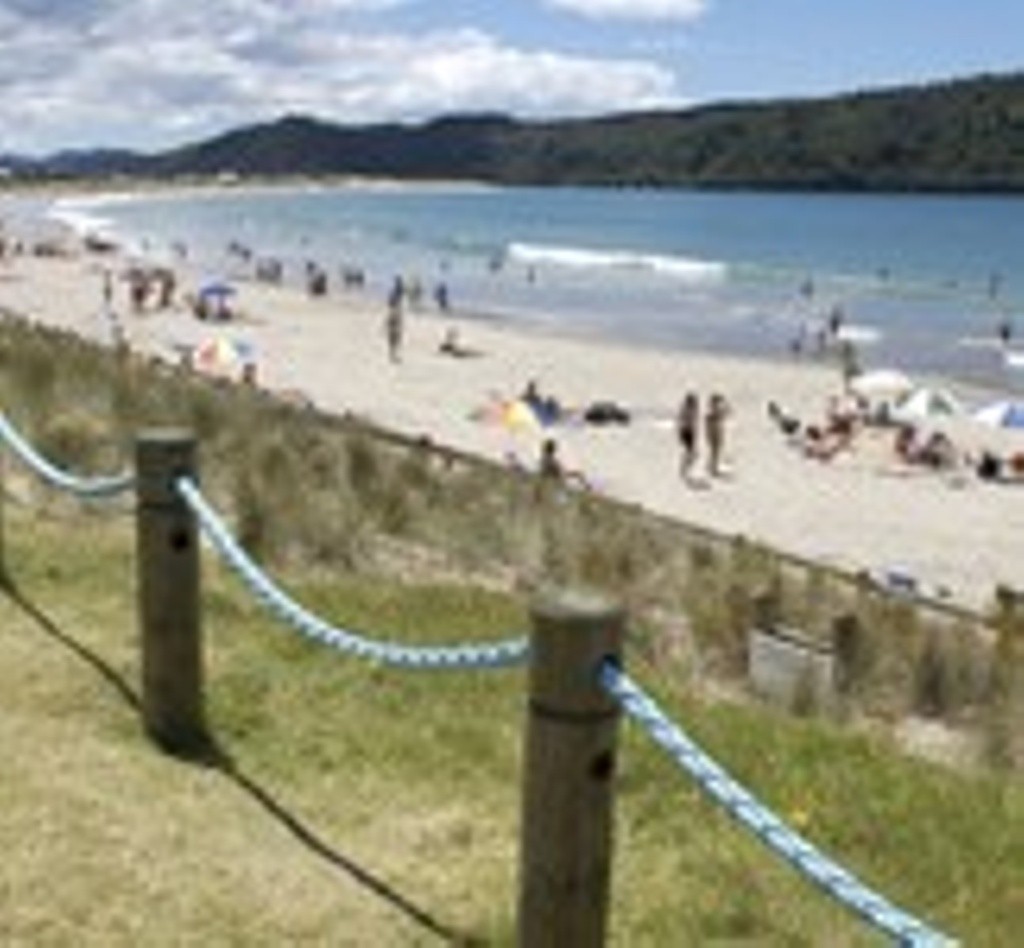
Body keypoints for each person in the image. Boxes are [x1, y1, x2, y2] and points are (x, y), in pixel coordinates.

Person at [704, 392, 730, 477]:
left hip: (716, 434)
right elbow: (726, 413)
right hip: (714, 435)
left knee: (715, 452)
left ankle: (711, 467)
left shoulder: (712, 415)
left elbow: (726, 413)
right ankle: (713, 468)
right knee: (714, 452)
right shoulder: (712, 415)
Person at [676, 392, 700, 482]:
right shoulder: (686, 410)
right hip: (686, 432)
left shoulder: (692, 410)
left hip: (690, 431)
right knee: (690, 453)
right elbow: (682, 421)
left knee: (692, 453)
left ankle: (685, 469)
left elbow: (694, 421)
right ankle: (684, 470)